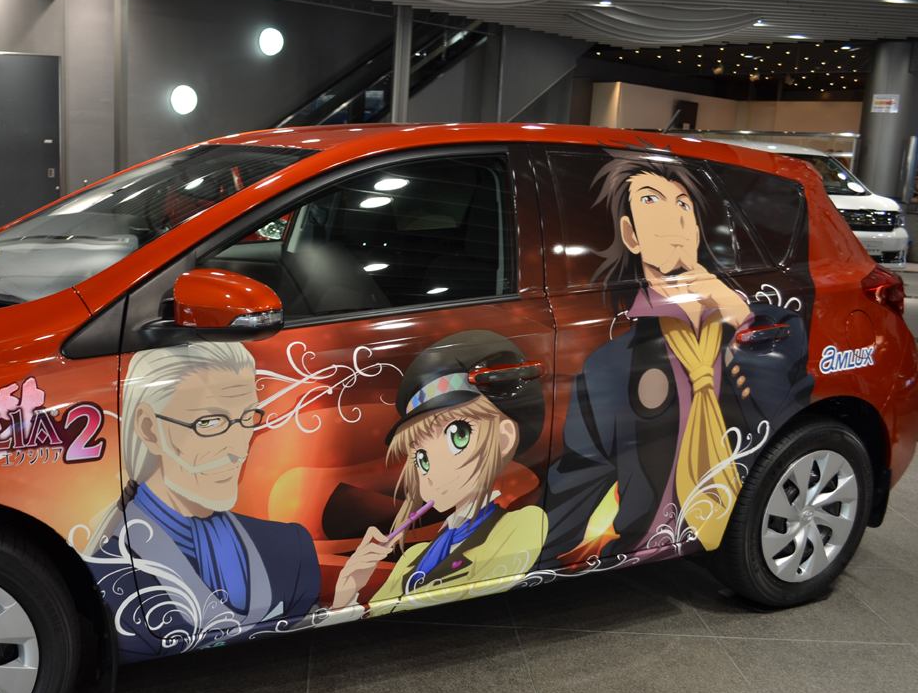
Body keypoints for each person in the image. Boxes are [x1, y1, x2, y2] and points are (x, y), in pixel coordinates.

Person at [543, 152, 812, 567]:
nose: (674, 216)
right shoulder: (608, 363)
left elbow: (784, 408)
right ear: (630, 235)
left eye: (683, 204)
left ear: (698, 230)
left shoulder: (764, 325)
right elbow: (578, 482)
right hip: (645, 534)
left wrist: (732, 308)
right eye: (651, 200)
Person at [87, 341, 321, 660]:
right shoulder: (106, 567)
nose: (239, 449)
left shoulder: (291, 547)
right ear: (149, 429)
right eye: (209, 422)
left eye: (248, 418)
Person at [333, 331, 547, 615]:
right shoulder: (412, 557)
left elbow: (476, 596)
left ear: (503, 439)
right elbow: (378, 614)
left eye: (458, 437)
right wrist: (348, 591)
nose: (432, 472)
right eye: (421, 459)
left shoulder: (521, 524)